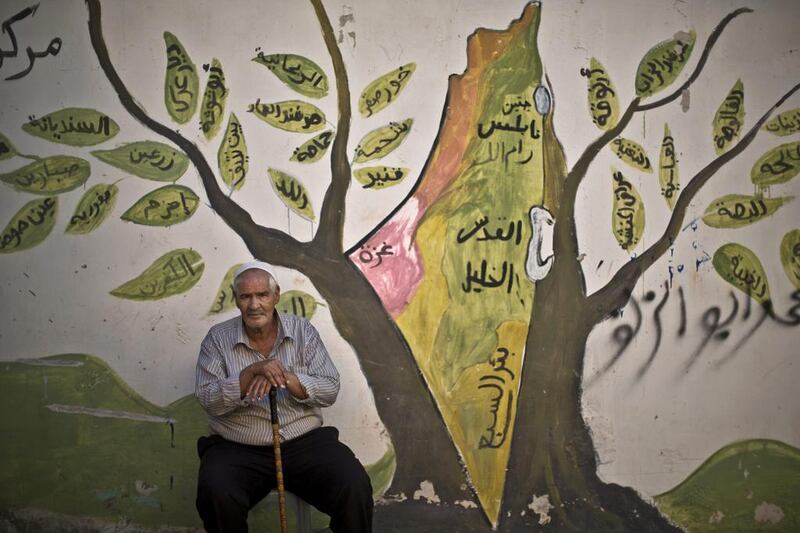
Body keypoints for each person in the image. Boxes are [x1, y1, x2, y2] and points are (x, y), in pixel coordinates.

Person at [195, 261, 373, 532]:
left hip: (304, 442)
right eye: (246, 297)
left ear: (276, 296)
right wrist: (249, 374)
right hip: (237, 448)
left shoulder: (302, 331)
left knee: (354, 484)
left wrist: (287, 378)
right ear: (236, 300)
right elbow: (207, 398)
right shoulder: (217, 339)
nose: (254, 305)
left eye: (262, 295)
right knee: (216, 492)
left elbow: (330, 389)